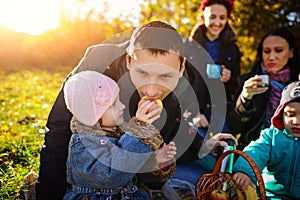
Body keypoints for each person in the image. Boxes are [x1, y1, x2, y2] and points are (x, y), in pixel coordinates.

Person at [36, 20, 235, 199]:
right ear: (129, 60)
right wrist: (48, 194)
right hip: (93, 173)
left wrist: (203, 144)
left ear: (181, 68)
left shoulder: (184, 84)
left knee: (203, 178)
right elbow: (59, 126)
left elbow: (175, 124)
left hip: (132, 173)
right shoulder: (96, 65)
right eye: (142, 73)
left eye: (166, 76)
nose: (151, 90)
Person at [62, 71, 176, 199]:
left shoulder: (116, 132)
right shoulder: (84, 143)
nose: (122, 106)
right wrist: (138, 130)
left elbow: (130, 164)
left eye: (120, 100)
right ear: (94, 114)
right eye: (114, 104)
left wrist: (155, 160)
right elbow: (114, 175)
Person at [171, 0, 240, 185]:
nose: (217, 22)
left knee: (224, 152)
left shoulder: (233, 48)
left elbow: (235, 88)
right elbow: (182, 82)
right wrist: (193, 112)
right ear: (203, 17)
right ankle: (201, 186)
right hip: (195, 110)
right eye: (212, 17)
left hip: (220, 110)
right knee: (197, 152)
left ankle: (221, 187)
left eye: (222, 18)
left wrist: (229, 78)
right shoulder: (188, 46)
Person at [228, 27, 300, 150]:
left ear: (291, 52)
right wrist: (245, 98)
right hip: (254, 152)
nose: (272, 57)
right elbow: (233, 127)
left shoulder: (296, 84)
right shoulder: (248, 81)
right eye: (267, 51)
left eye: (279, 50)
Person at [233, 80, 300, 199]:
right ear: (281, 115)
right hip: (269, 195)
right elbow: (256, 151)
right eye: (290, 114)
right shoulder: (271, 136)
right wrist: (245, 171)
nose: (296, 121)